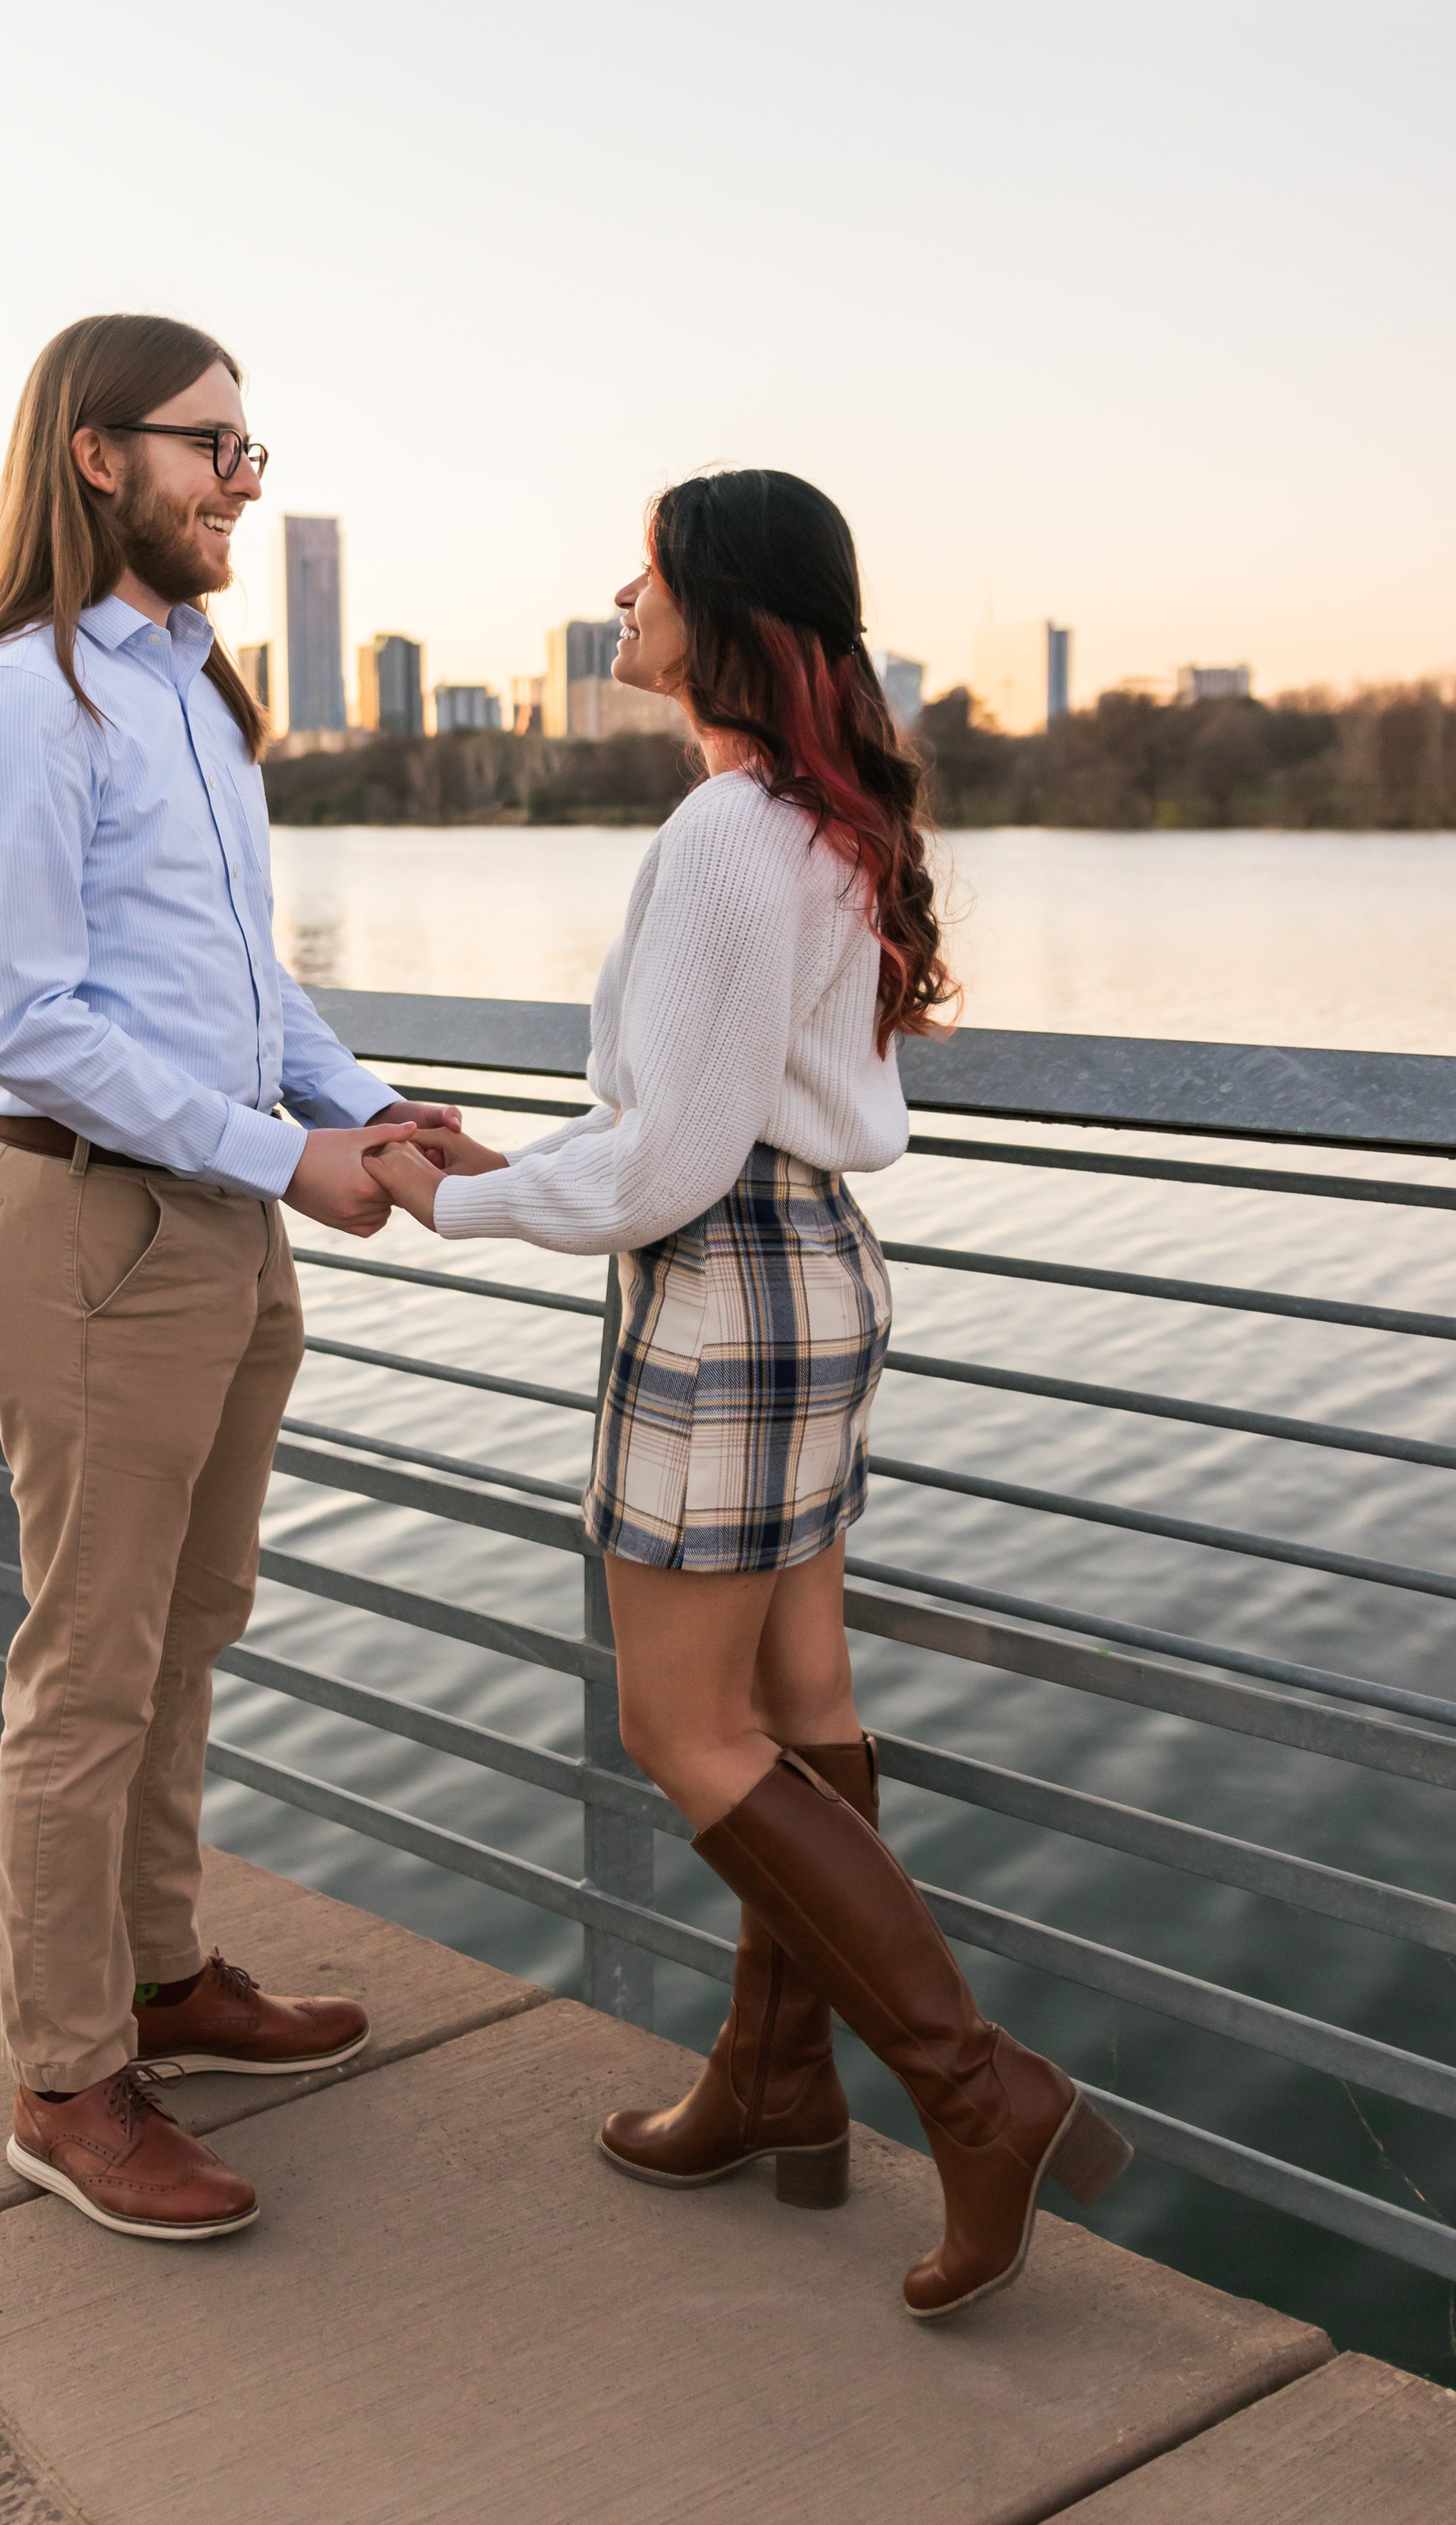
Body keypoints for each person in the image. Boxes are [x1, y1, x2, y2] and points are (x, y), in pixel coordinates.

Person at [367, 468, 1132, 2318]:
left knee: (681, 1731)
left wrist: (457, 1196)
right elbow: (698, 1119)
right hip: (809, 1279)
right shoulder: (823, 818)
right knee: (797, 1702)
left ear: (716, 607)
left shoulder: (725, 829)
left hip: (715, 1293)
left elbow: (670, 1165)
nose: (616, 597)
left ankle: (978, 2090)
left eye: (643, 572)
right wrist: (517, 1153)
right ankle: (776, 2081)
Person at [0, 312, 463, 2242]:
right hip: (96, 1228)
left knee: (187, 1624)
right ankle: (67, 2082)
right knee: (86, 1664)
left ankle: (163, 1980)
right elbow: (35, 1024)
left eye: (250, 443)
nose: (246, 476)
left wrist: (366, 1102)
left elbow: (246, 981)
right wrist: (286, 1156)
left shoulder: (190, 692)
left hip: (217, 1222)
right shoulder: (21, 701)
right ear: (94, 457)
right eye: (212, 444)